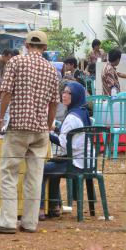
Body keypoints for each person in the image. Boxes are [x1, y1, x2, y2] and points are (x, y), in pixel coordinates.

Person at [0, 30, 59, 234]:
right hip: (40, 130)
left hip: (18, 126)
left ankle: (8, 221)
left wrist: (1, 119)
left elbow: (6, 92)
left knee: (9, 173)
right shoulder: (51, 70)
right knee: (35, 177)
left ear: (26, 45)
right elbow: (54, 103)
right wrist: (48, 124)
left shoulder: (16, 63)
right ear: (44, 48)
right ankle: (30, 222)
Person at [39, 82, 91, 220]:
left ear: (76, 96)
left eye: (69, 93)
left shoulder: (72, 117)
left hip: (75, 163)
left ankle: (39, 209)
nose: (64, 95)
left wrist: (45, 134)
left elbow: (64, 144)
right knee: (53, 166)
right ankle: (54, 207)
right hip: (86, 161)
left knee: (41, 169)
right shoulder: (82, 112)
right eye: (64, 92)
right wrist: (55, 129)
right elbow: (71, 135)